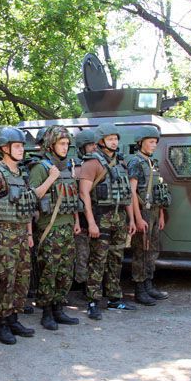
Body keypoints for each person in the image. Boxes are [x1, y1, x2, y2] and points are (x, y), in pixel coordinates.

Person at [0, 127, 37, 345]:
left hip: (22, 233)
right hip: (3, 235)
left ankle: (14, 318)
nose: (22, 149)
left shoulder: (20, 173)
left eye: (22, 146)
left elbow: (26, 207)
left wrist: (30, 233)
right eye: (17, 146)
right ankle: (2, 324)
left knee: (21, 278)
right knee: (5, 279)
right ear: (4, 148)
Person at [77, 123, 137, 319]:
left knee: (116, 259)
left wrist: (131, 219)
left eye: (116, 138)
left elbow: (126, 193)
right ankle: (93, 300)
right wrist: (91, 222)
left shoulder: (121, 163)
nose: (114, 142)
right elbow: (84, 194)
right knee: (97, 260)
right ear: (101, 141)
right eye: (110, 138)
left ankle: (114, 298)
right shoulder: (92, 163)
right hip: (101, 217)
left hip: (119, 217)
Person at [28, 125, 82, 330]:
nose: (65, 147)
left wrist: (76, 221)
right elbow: (33, 197)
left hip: (67, 226)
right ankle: (47, 312)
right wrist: (51, 177)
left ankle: (59, 308)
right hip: (49, 229)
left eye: (67, 143)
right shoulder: (40, 167)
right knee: (48, 271)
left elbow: (73, 196)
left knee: (65, 271)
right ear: (51, 144)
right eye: (61, 143)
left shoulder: (68, 166)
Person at [127, 126, 172, 306]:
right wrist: (137, 218)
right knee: (141, 251)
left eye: (155, 142)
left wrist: (161, 214)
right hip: (143, 212)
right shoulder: (135, 163)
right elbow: (131, 193)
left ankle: (148, 284)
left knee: (152, 250)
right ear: (141, 143)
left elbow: (158, 190)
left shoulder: (152, 163)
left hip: (154, 211)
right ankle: (139, 289)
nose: (154, 145)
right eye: (151, 142)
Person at [72, 128, 96, 290]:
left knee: (94, 256)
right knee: (82, 256)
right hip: (81, 218)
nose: (94, 147)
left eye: (95, 144)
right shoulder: (75, 167)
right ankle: (81, 286)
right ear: (82, 147)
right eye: (90, 145)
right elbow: (74, 195)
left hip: (96, 216)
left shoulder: (98, 164)